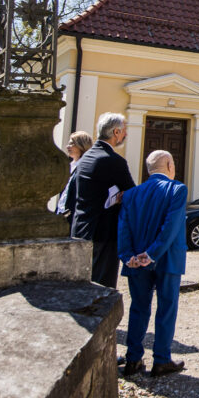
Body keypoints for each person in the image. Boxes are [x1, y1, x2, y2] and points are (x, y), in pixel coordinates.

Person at [117, 149, 187, 377]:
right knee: (166, 309)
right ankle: (161, 360)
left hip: (136, 261)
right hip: (166, 260)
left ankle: (133, 360)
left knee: (138, 308)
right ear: (169, 165)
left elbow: (124, 228)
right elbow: (171, 226)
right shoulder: (177, 189)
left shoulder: (131, 195)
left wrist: (127, 255)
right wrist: (152, 254)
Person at [72, 113, 136, 288]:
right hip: (104, 232)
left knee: (82, 284)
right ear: (116, 132)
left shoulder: (85, 158)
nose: (126, 134)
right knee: (102, 286)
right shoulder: (113, 161)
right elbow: (132, 194)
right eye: (124, 131)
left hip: (81, 229)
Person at [57, 131, 94, 218]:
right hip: (61, 212)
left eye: (71, 144)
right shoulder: (69, 166)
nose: (67, 146)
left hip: (73, 216)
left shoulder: (86, 166)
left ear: (82, 146)